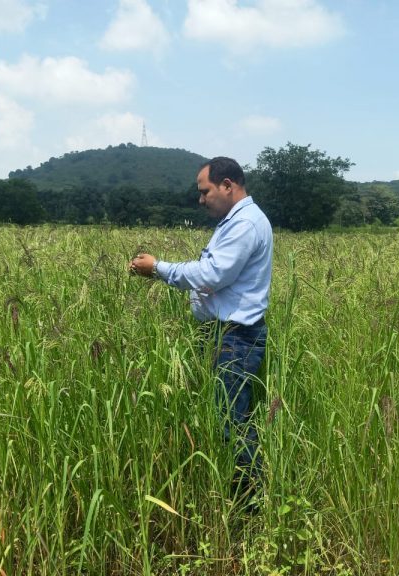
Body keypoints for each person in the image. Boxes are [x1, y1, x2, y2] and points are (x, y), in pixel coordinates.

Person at [129, 156, 273, 506]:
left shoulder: (245, 225)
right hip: (224, 334)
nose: (201, 198)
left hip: (236, 337)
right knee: (223, 416)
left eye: (205, 191)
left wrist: (157, 268)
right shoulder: (234, 221)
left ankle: (250, 505)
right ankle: (239, 498)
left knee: (231, 422)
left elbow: (211, 275)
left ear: (228, 186)